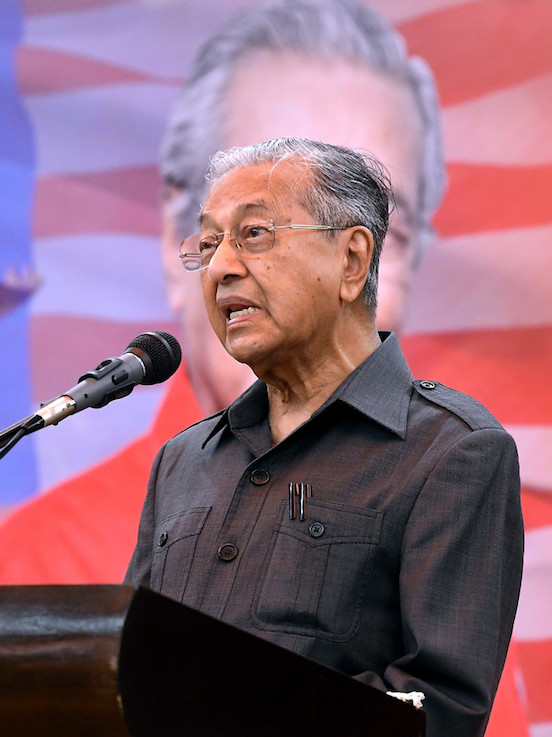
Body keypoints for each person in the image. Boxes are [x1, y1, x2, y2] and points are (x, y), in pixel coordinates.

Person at [0, 0, 444, 584]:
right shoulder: (36, 573)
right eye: (261, 229)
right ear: (177, 240)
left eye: (360, 245)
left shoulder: (446, 526)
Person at [123, 136, 523, 737]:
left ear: (352, 261)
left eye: (253, 234)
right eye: (207, 244)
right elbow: (125, 668)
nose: (222, 266)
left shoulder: (452, 452)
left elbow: (440, 708)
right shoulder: (183, 461)